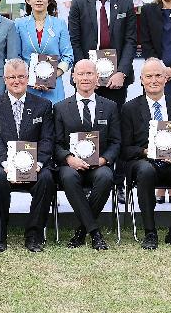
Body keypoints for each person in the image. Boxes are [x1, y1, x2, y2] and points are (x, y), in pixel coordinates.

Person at [121, 58, 171, 250]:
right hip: (144, 163)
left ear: (166, 78)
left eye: (158, 75)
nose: (154, 80)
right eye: (149, 76)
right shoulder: (129, 108)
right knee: (145, 171)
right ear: (141, 80)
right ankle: (150, 232)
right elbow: (123, 148)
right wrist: (145, 151)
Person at [0, 59, 55, 253]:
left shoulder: (44, 106)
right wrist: (7, 164)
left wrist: (38, 163)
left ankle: (34, 236)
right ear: (4, 79)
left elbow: (47, 140)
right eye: (12, 77)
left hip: (34, 164)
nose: (16, 81)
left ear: (28, 78)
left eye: (21, 76)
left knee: (46, 177)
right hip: (2, 164)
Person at [52, 59, 120, 251]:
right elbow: (55, 144)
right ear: (73, 77)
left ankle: (82, 231)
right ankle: (95, 232)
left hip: (98, 165)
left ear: (97, 78)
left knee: (106, 176)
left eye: (89, 73)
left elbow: (116, 142)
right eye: (80, 74)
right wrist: (68, 158)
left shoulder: (110, 107)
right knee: (68, 176)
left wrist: (104, 159)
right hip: (70, 166)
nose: (85, 78)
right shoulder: (60, 108)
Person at [68, 0, 137, 109]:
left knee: (114, 125)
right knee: (87, 126)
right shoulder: (78, 4)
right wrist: (86, 73)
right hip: (86, 79)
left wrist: (121, 73)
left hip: (116, 79)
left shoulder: (126, 4)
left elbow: (130, 41)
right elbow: (74, 41)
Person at [15, 0, 73, 104]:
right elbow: (16, 56)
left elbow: (68, 57)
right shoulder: (19, 24)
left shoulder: (59, 24)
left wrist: (53, 77)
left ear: (49, 0)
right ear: (27, 0)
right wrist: (28, 77)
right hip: (27, 86)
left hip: (54, 87)